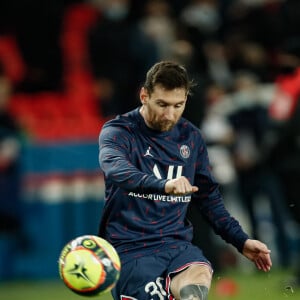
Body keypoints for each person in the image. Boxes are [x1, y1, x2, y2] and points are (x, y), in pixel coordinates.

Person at [98, 61, 272, 300]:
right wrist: (164, 185)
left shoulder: (190, 137)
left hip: (176, 245)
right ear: (144, 95)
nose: (170, 114)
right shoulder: (118, 132)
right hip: (131, 250)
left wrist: (240, 240)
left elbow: (209, 198)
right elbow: (116, 170)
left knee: (199, 272)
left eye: (178, 105)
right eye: (162, 104)